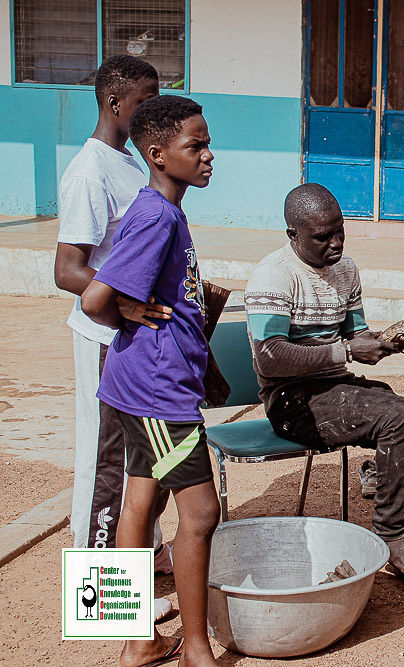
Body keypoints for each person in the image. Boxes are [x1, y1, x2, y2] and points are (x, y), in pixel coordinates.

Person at [244, 183, 404, 593]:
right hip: (290, 399)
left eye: (340, 231)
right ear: (293, 235)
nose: (335, 243)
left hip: (336, 388)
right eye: (322, 237)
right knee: (398, 415)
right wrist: (345, 351)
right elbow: (270, 357)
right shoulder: (273, 275)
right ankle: (390, 535)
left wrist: (391, 341)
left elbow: (355, 336)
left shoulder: (346, 269)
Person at [82, 95, 219, 667]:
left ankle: (139, 641)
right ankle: (196, 649)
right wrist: (123, 311)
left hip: (143, 381)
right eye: (197, 146)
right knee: (202, 513)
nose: (210, 155)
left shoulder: (163, 208)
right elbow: (94, 300)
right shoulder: (156, 216)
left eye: (208, 142)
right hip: (157, 390)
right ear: (159, 155)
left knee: (140, 500)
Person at [52, 54, 175, 619]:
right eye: (146, 97)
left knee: (143, 462)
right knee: (106, 463)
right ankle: (101, 602)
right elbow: (68, 268)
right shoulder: (89, 171)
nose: (153, 106)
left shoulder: (126, 161)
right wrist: (123, 303)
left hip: (135, 338)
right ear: (115, 102)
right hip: (105, 338)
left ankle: (138, 559)